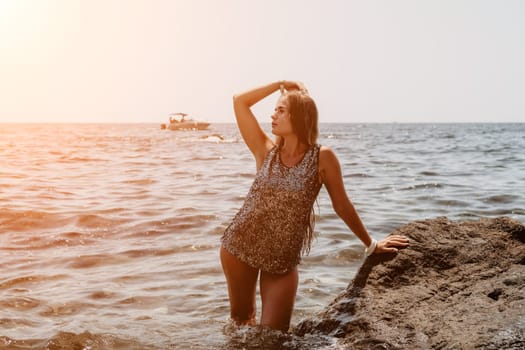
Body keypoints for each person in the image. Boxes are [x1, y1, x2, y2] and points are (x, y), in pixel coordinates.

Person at [220, 81, 409, 332]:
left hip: (282, 260)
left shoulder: (323, 157)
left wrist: (371, 245)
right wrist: (278, 84)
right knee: (241, 325)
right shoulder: (265, 151)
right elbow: (239, 101)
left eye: (281, 110)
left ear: (298, 116)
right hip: (240, 247)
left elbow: (342, 205)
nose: (272, 115)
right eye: (275, 109)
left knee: (273, 340)